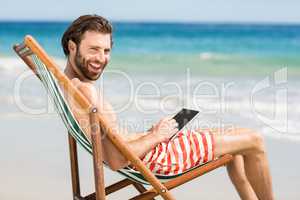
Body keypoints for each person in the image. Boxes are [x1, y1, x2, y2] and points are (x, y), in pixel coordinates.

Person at [62, 14, 274, 200]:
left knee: (235, 144)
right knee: (254, 140)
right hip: (157, 160)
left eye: (106, 50)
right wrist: (155, 136)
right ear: (73, 47)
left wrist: (147, 135)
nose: (101, 58)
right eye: (94, 49)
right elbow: (117, 160)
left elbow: (113, 145)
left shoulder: (68, 85)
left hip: (148, 151)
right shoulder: (85, 92)